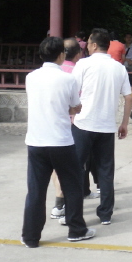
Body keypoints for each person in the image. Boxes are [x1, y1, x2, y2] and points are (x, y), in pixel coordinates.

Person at [21, 36, 95, 247]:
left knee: (36, 191)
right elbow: (75, 106)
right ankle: (76, 229)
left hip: (36, 141)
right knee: (72, 186)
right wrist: (72, 109)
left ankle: (31, 237)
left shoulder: (31, 77)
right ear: (61, 55)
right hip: (61, 142)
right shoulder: (67, 79)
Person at [70, 28, 132, 226]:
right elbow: (128, 97)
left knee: (75, 169)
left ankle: (73, 211)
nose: (86, 46)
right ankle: (105, 214)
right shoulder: (119, 68)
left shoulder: (83, 64)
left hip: (83, 123)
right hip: (106, 127)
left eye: (88, 43)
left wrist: (71, 113)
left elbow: (72, 91)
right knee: (105, 171)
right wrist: (124, 123)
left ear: (95, 45)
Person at [49, 38, 82, 219]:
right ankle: (63, 206)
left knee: (55, 168)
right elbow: (77, 105)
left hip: (51, 126)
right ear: (78, 54)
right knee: (70, 169)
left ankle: (58, 203)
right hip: (72, 126)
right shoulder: (76, 73)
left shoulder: (49, 73)